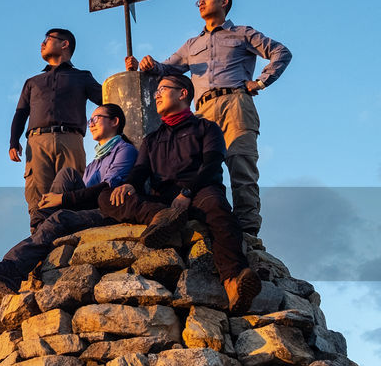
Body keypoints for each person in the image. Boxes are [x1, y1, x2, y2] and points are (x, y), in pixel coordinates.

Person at [125, 0, 290, 237]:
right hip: (201, 114)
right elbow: (166, 68)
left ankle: (246, 230)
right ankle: (205, 221)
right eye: (198, 0)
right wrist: (145, 65)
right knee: (199, 168)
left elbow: (280, 52)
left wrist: (261, 81)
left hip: (235, 102)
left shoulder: (242, 33)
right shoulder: (192, 44)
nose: (200, 2)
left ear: (224, 2)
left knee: (240, 164)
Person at [99, 75, 262, 315]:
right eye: (156, 91)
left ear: (183, 93)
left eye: (162, 89)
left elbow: (211, 164)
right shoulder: (152, 138)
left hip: (199, 190)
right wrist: (129, 185)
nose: (156, 95)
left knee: (218, 209)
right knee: (107, 197)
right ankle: (161, 217)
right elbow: (140, 170)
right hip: (163, 200)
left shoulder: (206, 127)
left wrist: (187, 193)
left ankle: (233, 282)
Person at [0, 103, 137, 293]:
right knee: (67, 174)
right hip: (89, 207)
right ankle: (40, 227)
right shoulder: (95, 163)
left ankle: (13, 267)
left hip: (108, 211)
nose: (91, 124)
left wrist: (63, 200)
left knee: (60, 217)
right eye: (89, 120)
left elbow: (105, 191)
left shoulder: (125, 150)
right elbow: (83, 193)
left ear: (114, 122)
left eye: (96, 118)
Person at [10, 28, 103, 232]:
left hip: (70, 140)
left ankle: (70, 240)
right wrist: (13, 141)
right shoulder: (33, 82)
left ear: (64, 44)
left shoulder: (82, 77)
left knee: (70, 192)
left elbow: (108, 99)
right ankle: (39, 245)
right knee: (38, 200)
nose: (42, 43)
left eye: (47, 39)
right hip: (37, 141)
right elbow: (20, 113)